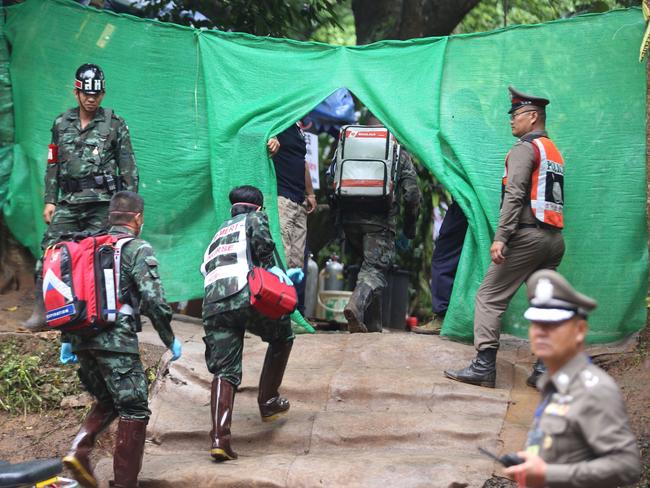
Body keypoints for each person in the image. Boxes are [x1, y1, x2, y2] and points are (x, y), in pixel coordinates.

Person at [444, 86, 565, 388]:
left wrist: (501, 237)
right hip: (553, 240)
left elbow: (515, 194)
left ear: (533, 116)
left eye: (516, 114)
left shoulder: (525, 148)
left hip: (527, 237)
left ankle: (484, 366)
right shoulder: (552, 151)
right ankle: (543, 367)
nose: (511, 120)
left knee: (488, 297)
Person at [61, 191, 182, 488]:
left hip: (81, 339)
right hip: (115, 340)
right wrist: (169, 338)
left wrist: (68, 340)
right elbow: (153, 299)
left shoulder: (86, 248)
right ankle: (125, 483)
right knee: (135, 408)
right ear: (138, 218)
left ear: (110, 216)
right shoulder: (136, 248)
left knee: (108, 399)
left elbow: (70, 295)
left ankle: (79, 449)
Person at [24, 63, 139, 330]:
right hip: (69, 202)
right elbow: (53, 163)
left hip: (102, 204)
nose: (91, 99)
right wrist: (50, 200)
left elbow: (129, 167)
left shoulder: (115, 124)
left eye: (96, 94)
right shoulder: (61, 123)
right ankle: (42, 312)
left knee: (100, 257)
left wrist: (129, 209)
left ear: (103, 94)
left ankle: (96, 314)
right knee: (50, 252)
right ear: (76, 92)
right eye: (86, 93)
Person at [503, 269, 641, 487]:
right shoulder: (553, 383)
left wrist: (548, 473)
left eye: (552, 324)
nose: (540, 332)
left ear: (580, 330)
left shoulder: (594, 390)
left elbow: (627, 465)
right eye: (536, 323)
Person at [200, 185, 301, 462]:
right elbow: (263, 245)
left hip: (212, 303)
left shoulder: (218, 233)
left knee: (225, 370)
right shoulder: (255, 218)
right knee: (282, 337)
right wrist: (275, 270)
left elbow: (205, 268)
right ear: (258, 207)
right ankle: (268, 401)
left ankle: (220, 439)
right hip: (244, 294)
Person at [334, 119, 421, 333]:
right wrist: (410, 226)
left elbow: (333, 176)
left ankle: (372, 325)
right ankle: (355, 306)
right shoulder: (396, 151)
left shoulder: (348, 144)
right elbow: (412, 194)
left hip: (350, 218)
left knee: (365, 268)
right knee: (375, 270)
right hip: (379, 222)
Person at [412, 200, 468, 334]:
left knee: (444, 258)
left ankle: (443, 317)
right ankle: (458, 317)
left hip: (464, 203)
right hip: (486, 205)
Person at [267, 123, 317, 269]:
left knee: (297, 263)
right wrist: (271, 138)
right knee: (281, 257)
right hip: (281, 198)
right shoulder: (278, 120)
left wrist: (311, 194)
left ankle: (290, 291)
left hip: (299, 201)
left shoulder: (297, 128)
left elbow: (303, 162)